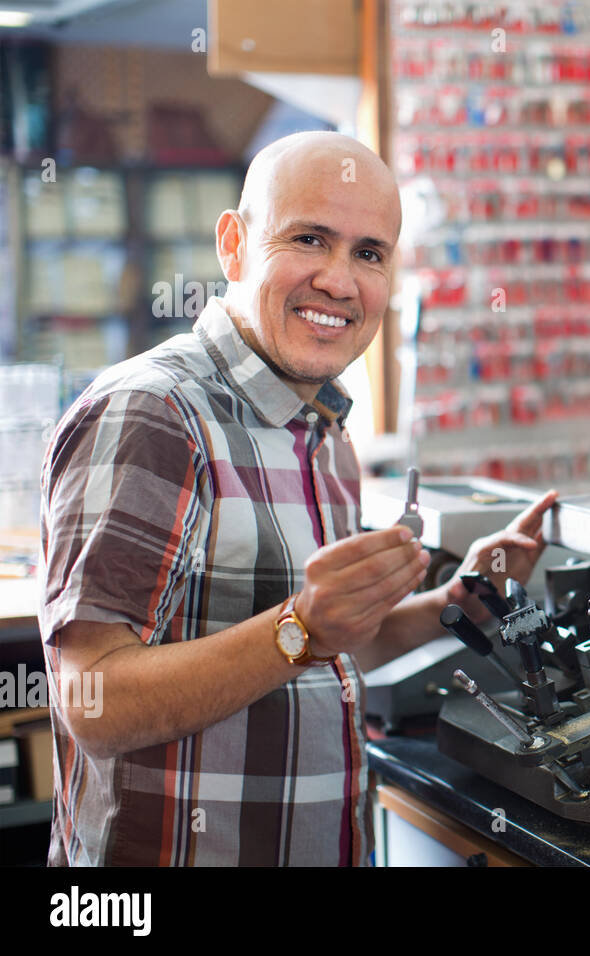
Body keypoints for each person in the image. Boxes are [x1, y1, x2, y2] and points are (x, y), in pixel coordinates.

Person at [37, 131, 558, 865]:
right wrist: (300, 629)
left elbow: (323, 648)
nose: (341, 283)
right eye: (310, 239)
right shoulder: (154, 413)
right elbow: (92, 701)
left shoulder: (322, 428)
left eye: (369, 254)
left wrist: (460, 601)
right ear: (234, 245)